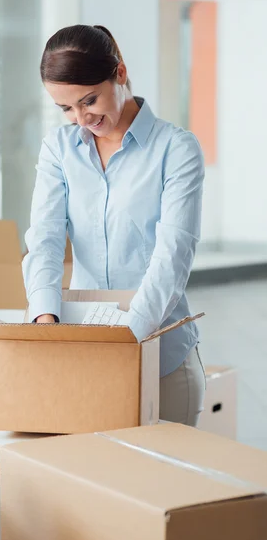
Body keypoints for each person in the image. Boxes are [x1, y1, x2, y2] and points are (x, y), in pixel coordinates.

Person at [22, 24, 206, 427]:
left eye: (89, 100)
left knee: (162, 489)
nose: (81, 118)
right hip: (87, 353)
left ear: (119, 73)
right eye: (67, 109)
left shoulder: (176, 149)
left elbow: (173, 256)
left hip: (162, 360)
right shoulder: (59, 148)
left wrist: (127, 338)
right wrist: (45, 321)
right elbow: (46, 239)